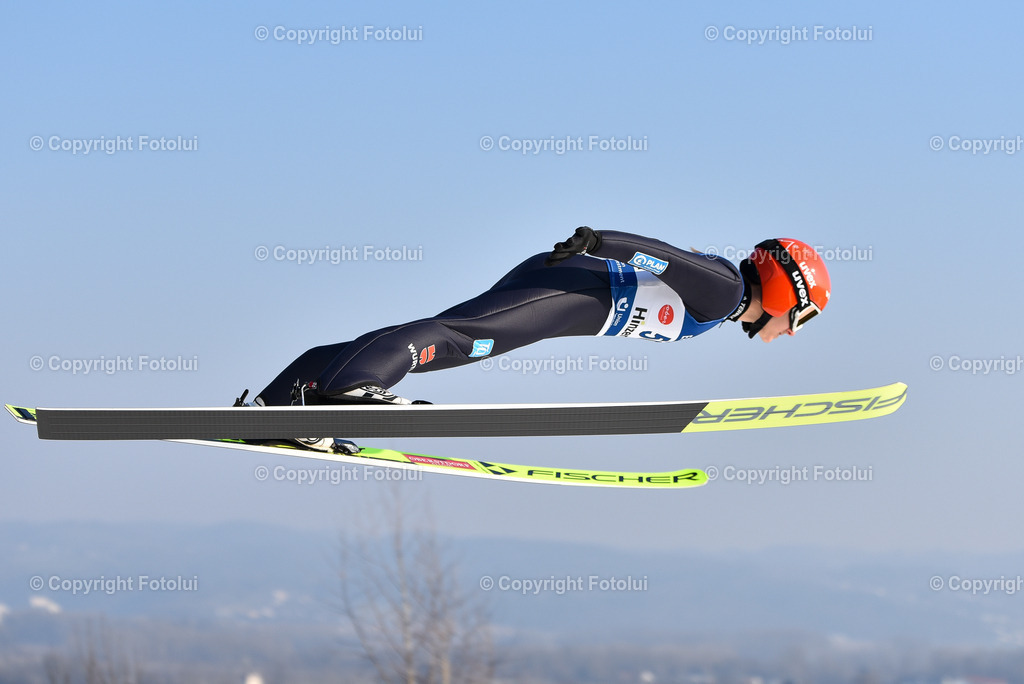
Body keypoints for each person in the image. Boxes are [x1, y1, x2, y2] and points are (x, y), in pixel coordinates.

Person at [245, 227, 831, 414]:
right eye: (798, 319)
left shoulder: (724, 300)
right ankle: (343, 391)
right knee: (459, 340)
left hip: (566, 294)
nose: (789, 333)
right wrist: (601, 241)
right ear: (786, 294)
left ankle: (292, 395)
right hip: (568, 287)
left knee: (452, 333)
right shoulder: (727, 290)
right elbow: (660, 257)